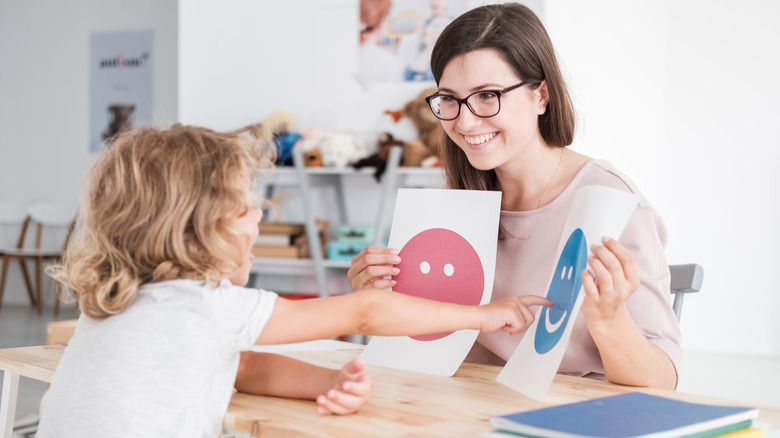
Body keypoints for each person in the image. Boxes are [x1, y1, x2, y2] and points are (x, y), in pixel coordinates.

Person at [36, 123, 550, 437]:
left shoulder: (117, 302)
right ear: (197, 231)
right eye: (245, 208)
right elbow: (366, 310)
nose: (259, 217)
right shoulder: (201, 305)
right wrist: (484, 314)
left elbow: (243, 368)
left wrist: (325, 382)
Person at [348, 2, 682, 390]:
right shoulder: (455, 198)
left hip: (571, 411)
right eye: (449, 99)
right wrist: (377, 296)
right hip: (466, 404)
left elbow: (662, 380)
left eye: (488, 95)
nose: (464, 120)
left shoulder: (612, 204)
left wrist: (608, 318)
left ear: (541, 96)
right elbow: (420, 339)